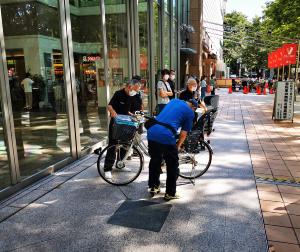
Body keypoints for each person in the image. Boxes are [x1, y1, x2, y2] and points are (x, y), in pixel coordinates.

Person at [147, 98, 196, 200]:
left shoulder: (174, 101)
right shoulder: (190, 113)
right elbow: (183, 134)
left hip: (152, 131)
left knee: (155, 160)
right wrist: (177, 146)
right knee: (172, 165)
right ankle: (170, 193)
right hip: (166, 135)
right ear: (193, 108)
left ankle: (153, 186)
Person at [103, 79, 141, 179]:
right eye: (135, 89)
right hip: (117, 123)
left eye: (137, 90)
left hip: (128, 124)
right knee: (113, 144)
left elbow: (137, 110)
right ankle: (107, 168)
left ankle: (120, 163)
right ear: (129, 87)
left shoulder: (136, 96)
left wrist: (137, 116)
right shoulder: (118, 94)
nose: (136, 92)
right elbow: (110, 106)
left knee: (126, 144)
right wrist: (112, 111)